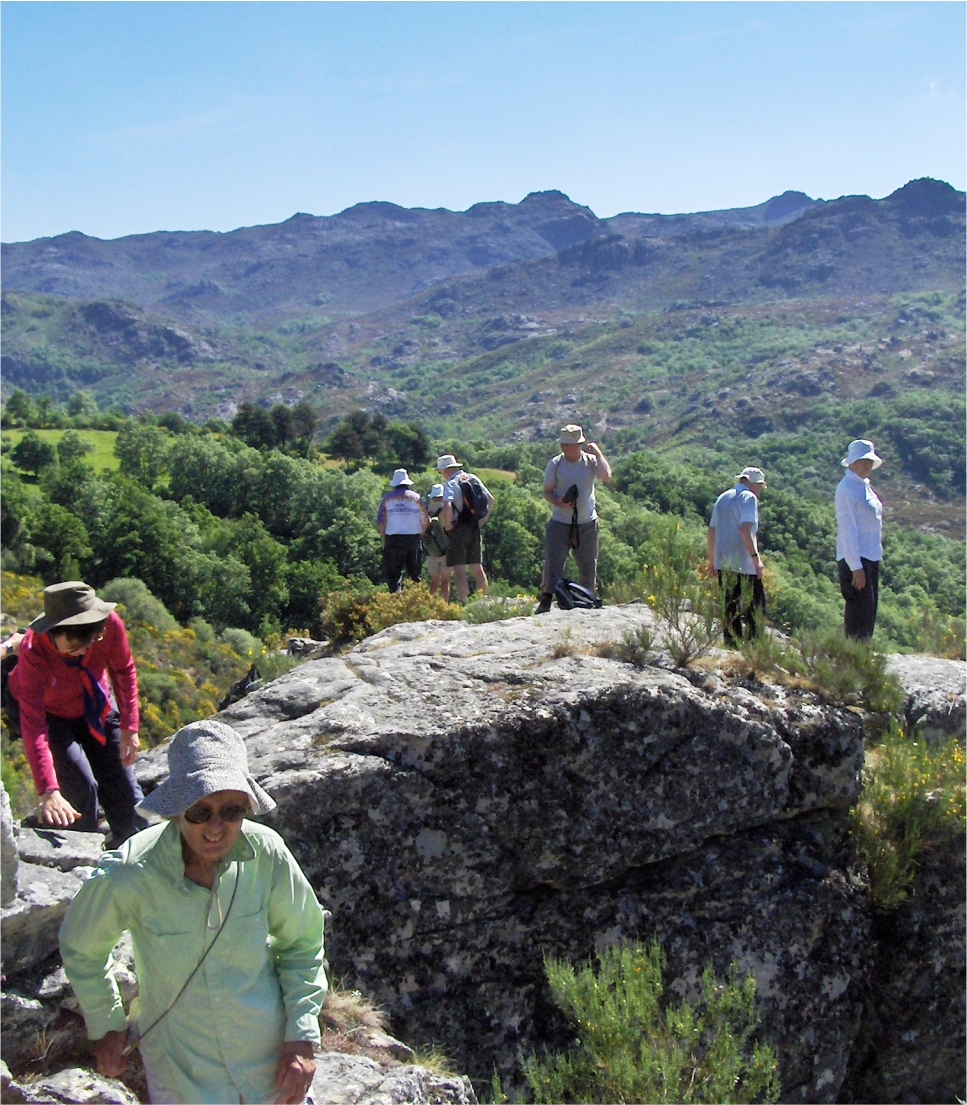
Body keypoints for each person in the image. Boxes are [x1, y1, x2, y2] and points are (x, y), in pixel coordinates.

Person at [60, 719, 327, 1105]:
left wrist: (301, 1038)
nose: (216, 827)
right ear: (175, 811)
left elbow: (303, 941)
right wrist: (107, 1024)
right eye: (200, 812)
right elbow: (81, 945)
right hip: (183, 1079)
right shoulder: (131, 872)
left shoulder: (267, 854)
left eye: (231, 811)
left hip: (272, 1073)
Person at [8, 581, 146, 844]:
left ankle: (136, 854)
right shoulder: (33, 652)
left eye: (91, 642)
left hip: (93, 703)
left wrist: (130, 726)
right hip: (50, 716)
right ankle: (83, 853)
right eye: (73, 648)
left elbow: (123, 670)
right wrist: (48, 790)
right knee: (81, 788)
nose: (84, 651)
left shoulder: (109, 625)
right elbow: (35, 727)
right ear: (53, 631)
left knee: (126, 789)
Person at [535, 426, 612, 614]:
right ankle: (546, 600)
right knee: (553, 562)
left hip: (586, 523)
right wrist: (558, 502)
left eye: (568, 444)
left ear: (579, 445)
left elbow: (606, 476)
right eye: (563, 443)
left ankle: (589, 599)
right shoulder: (555, 464)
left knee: (588, 565)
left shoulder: (590, 462)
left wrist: (598, 453)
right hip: (560, 522)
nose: (564, 447)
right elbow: (547, 491)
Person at [706, 466, 767, 647]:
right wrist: (756, 559)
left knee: (729, 607)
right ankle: (752, 649)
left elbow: (711, 532)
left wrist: (712, 561)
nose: (760, 490)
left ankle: (731, 645)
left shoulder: (723, 497)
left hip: (723, 561)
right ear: (753, 483)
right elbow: (745, 529)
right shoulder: (749, 498)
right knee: (756, 607)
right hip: (744, 563)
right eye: (760, 486)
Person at [835, 439, 884, 640]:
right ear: (852, 463)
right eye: (863, 461)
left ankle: (862, 655)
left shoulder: (863, 486)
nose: (867, 466)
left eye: (869, 461)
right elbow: (848, 529)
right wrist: (855, 565)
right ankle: (853, 658)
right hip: (857, 559)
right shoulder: (846, 488)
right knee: (858, 612)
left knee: (868, 612)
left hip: (870, 556)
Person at [436, 454, 494, 603]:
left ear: (445, 470)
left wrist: (448, 526)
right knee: (477, 567)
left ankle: (465, 604)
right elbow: (490, 499)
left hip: (458, 528)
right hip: (474, 526)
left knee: (459, 570)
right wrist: (483, 520)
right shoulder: (473, 478)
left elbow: (447, 507)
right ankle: (484, 601)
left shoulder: (450, 483)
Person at [375, 468, 429, 593]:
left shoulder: (387, 499)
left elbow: (380, 521)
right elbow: (426, 520)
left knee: (393, 577)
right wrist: (420, 535)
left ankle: (396, 602)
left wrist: (384, 540)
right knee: (415, 576)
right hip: (413, 539)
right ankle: (416, 604)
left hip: (393, 540)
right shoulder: (416, 498)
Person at [422, 483, 451, 599]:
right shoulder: (446, 508)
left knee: (434, 582)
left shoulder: (426, 510)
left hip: (432, 550)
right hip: (446, 549)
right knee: (445, 582)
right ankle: (444, 607)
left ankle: (431, 606)